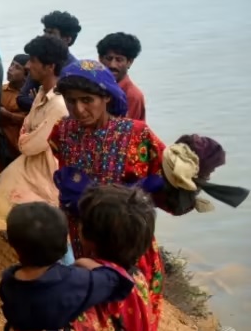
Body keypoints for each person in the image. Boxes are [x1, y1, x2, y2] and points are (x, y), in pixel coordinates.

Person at [49, 59, 185, 302]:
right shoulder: (63, 131)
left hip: (128, 244)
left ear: (107, 98)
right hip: (84, 241)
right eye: (71, 100)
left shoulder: (137, 134)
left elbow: (167, 181)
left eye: (87, 100)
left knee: (132, 311)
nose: (78, 109)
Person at [0, 201, 134, 331]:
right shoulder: (73, 282)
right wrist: (86, 263)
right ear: (65, 247)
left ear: (14, 249)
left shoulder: (8, 282)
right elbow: (115, 280)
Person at [0, 36, 69, 232]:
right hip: (32, 169)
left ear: (50, 66)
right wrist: (29, 134)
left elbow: (29, 145)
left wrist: (28, 135)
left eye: (33, 61)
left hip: (45, 177)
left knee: (51, 231)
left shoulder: (58, 105)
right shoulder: (41, 94)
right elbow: (26, 127)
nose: (28, 65)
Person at [16, 11, 81, 112]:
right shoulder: (40, 61)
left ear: (67, 39)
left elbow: (68, 107)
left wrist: (39, 100)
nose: (45, 36)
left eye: (51, 33)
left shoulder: (74, 70)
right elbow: (22, 98)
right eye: (45, 32)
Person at [96, 32, 146, 121]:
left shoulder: (132, 96)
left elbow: (128, 130)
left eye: (119, 60)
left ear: (129, 62)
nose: (112, 65)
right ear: (100, 58)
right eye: (108, 58)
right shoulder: (91, 84)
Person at [0, 54, 30, 169]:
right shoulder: (1, 90)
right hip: (4, 146)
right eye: (11, 64)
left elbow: (28, 119)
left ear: (26, 76)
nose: (10, 68)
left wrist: (8, 114)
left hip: (21, 148)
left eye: (17, 67)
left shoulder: (29, 96)